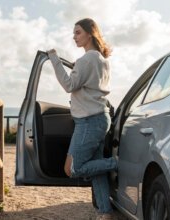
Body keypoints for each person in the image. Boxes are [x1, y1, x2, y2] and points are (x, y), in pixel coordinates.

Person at [47, 18, 117, 220]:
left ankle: (116, 163)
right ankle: (105, 212)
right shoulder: (101, 60)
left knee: (73, 168)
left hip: (88, 121)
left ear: (90, 33)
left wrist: (54, 59)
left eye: (78, 32)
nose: (74, 36)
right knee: (96, 168)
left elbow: (69, 85)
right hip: (99, 118)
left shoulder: (87, 60)